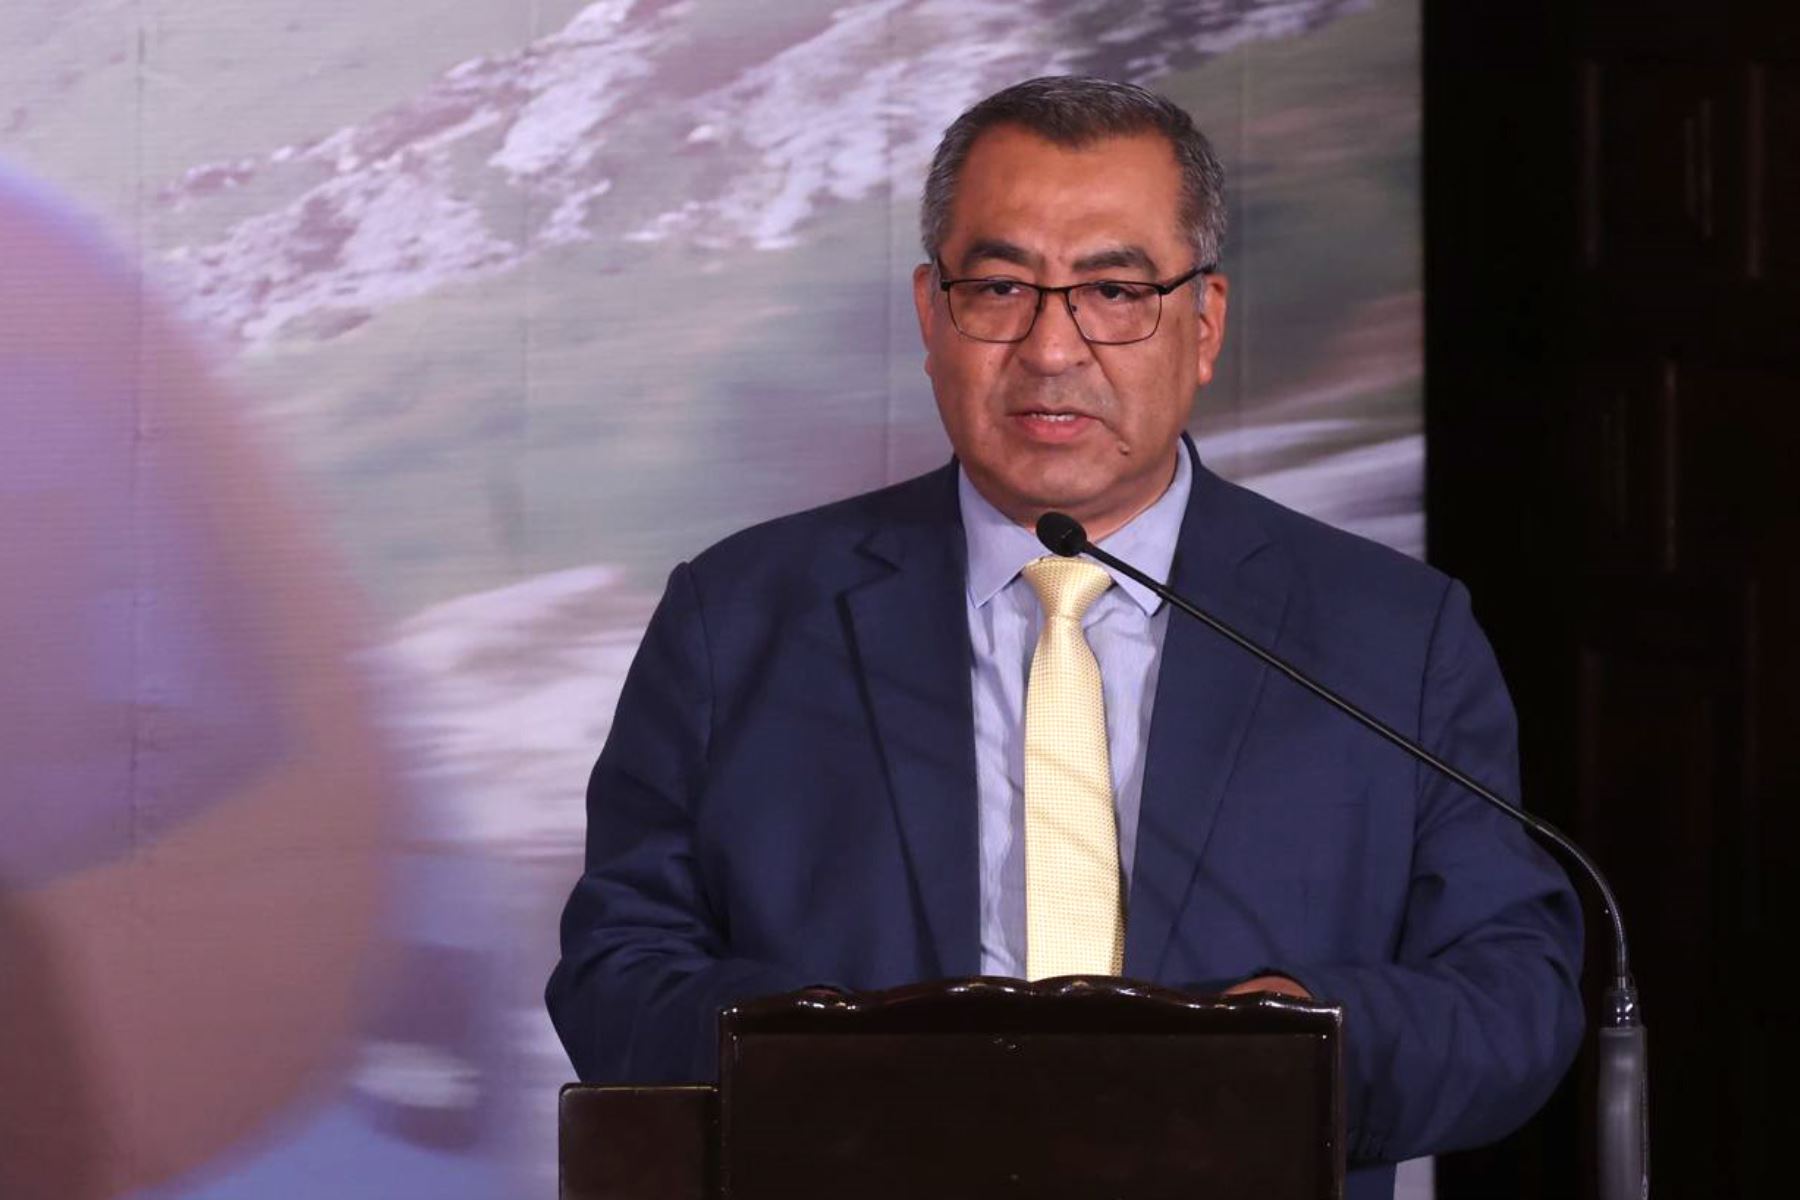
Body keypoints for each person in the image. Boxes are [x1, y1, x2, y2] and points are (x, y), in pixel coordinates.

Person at [547, 76, 1583, 1199]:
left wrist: (1295, 1047)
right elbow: (618, 970)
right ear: (931, 314)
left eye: (1114, 291)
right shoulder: (738, 615)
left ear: (1204, 324)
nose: (1052, 349)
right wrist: (847, 1071)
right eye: (1000, 287)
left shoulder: (1393, 634)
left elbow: (1512, 995)